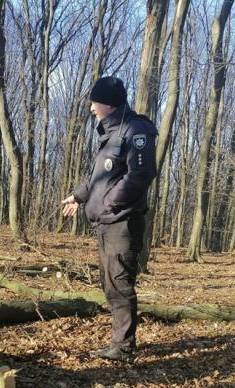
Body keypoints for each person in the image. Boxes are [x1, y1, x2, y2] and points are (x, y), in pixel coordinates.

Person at [62, 76, 157, 361]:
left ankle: (123, 347)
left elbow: (141, 175)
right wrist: (78, 196)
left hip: (122, 221)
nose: (91, 108)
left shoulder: (135, 129)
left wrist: (109, 202)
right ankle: (119, 341)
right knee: (109, 282)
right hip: (106, 221)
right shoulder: (110, 133)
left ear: (109, 104)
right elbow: (100, 178)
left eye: (95, 102)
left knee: (119, 280)